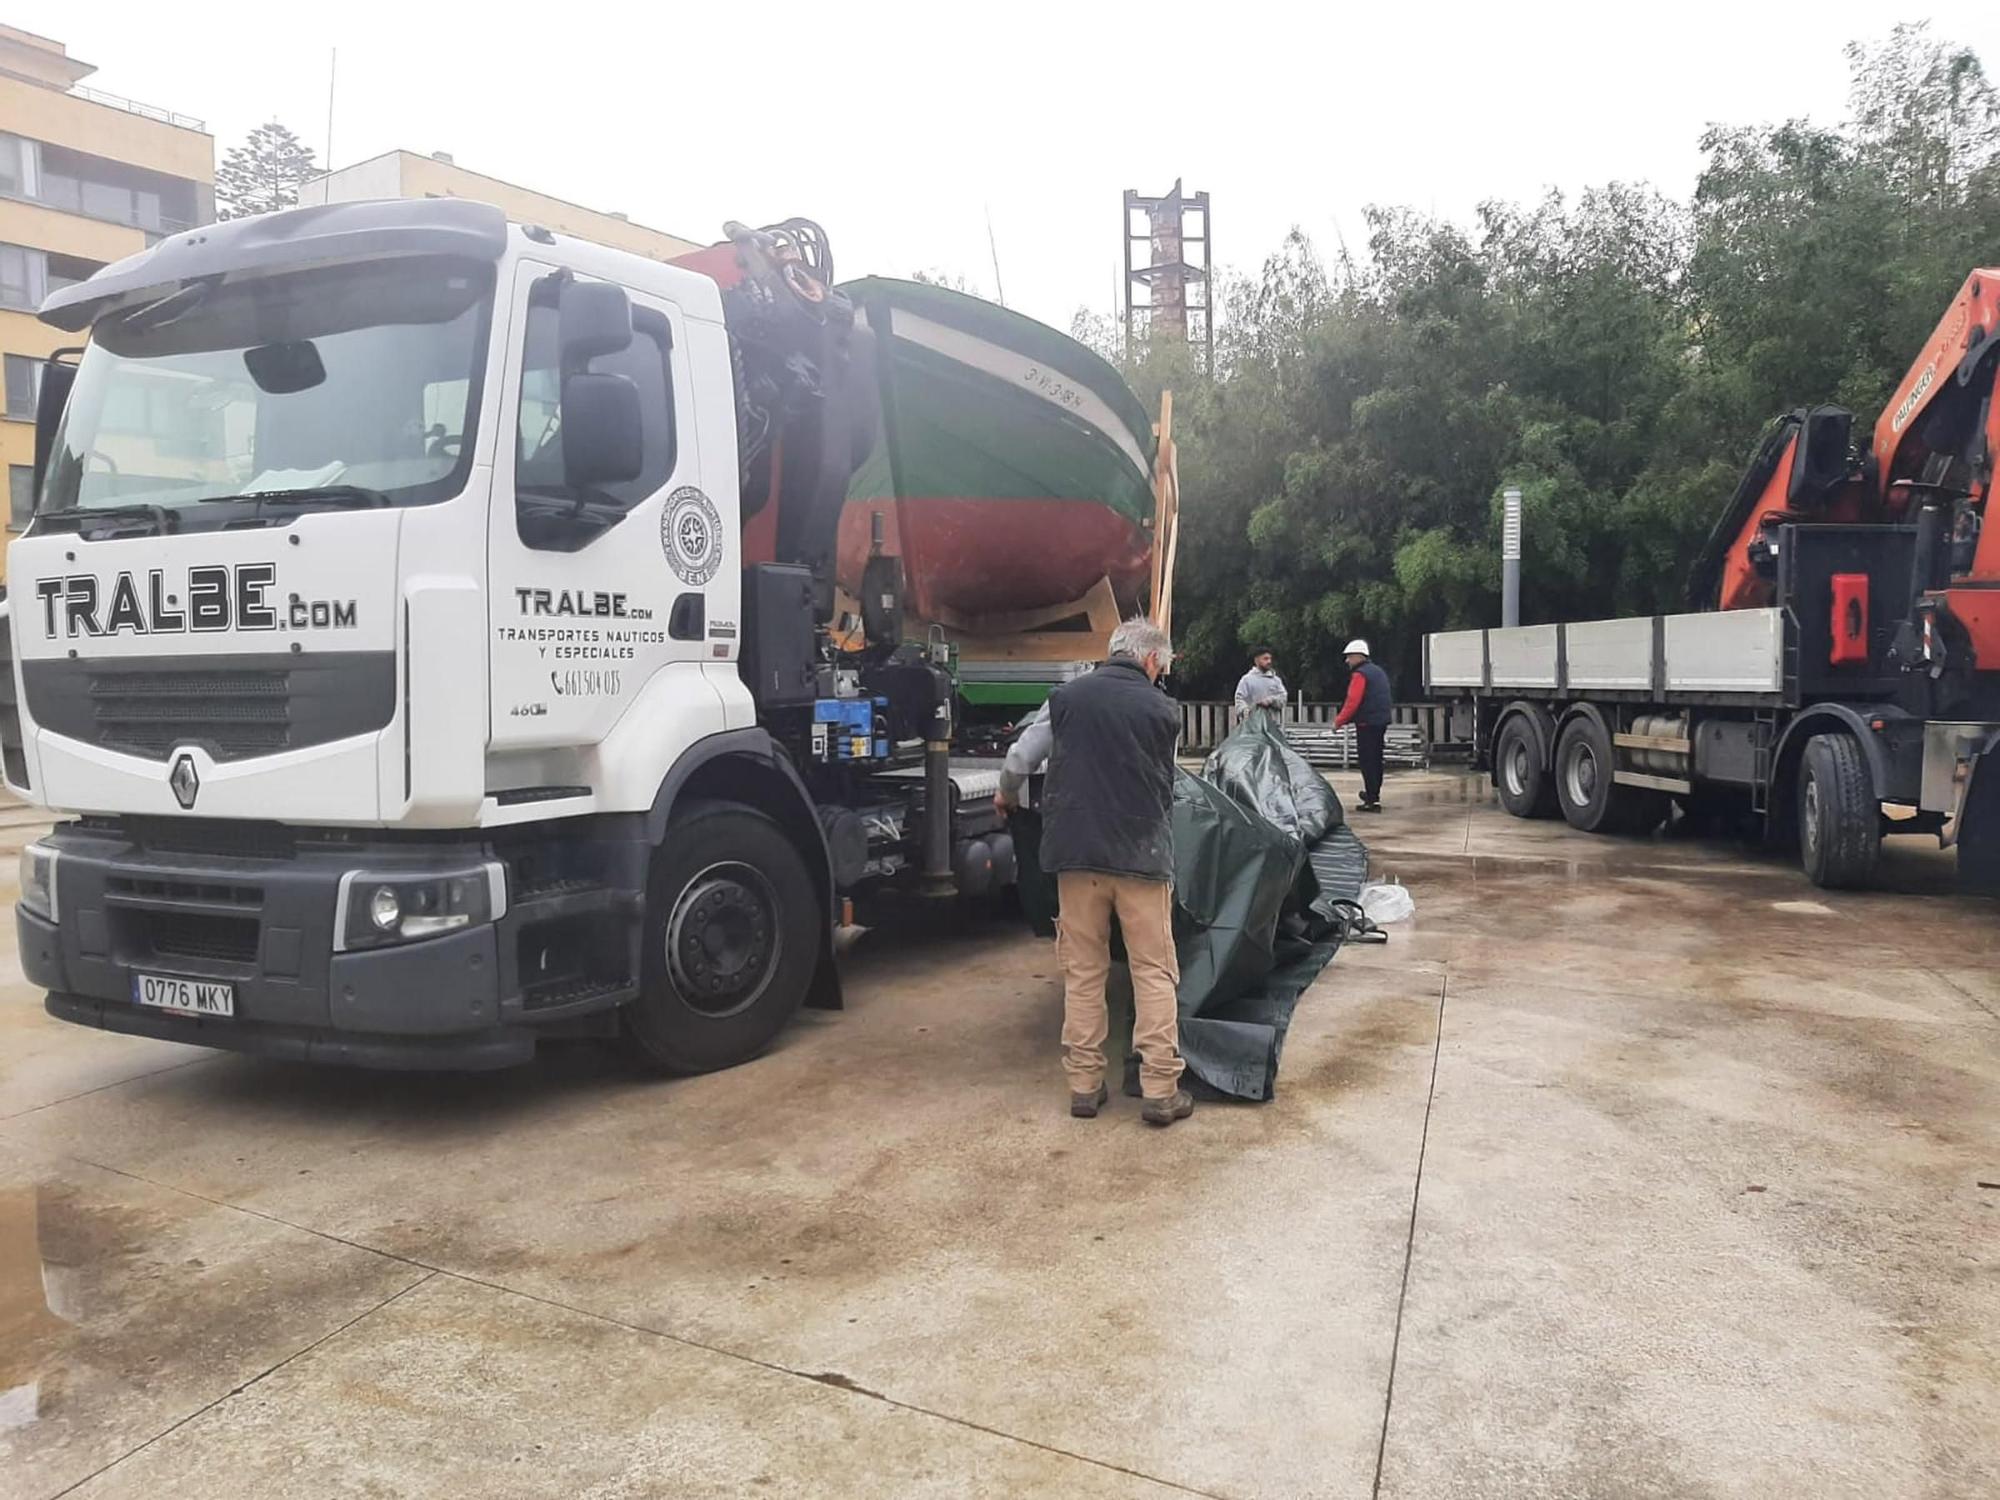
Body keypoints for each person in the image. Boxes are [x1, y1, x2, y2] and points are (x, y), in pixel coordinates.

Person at [1029, 617, 1190, 1126]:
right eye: (1160, 667)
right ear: (1148, 660)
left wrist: (1007, 792)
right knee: (1154, 972)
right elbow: (1166, 784)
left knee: (1083, 971)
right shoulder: (1164, 710)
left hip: (1076, 857)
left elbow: (1024, 758)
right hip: (1141, 858)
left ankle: (1084, 1086)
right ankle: (1161, 1091)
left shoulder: (1066, 699)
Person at [1334, 638, 1392, 813]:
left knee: (1367, 760)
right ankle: (1373, 794)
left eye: (1349, 657)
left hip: (1367, 723)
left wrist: (1339, 721)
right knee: (1376, 759)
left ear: (1359, 656)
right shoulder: (1378, 671)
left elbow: (1353, 701)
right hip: (1380, 721)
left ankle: (1371, 800)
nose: (1347, 661)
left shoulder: (1360, 674)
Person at [1232, 648, 1287, 725]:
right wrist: (1246, 710)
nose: (1269, 661)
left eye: (1270, 659)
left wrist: (1270, 701)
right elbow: (1239, 699)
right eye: (1265, 659)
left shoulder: (1276, 680)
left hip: (1273, 726)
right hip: (1252, 727)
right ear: (1256, 660)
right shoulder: (1247, 680)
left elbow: (1283, 698)